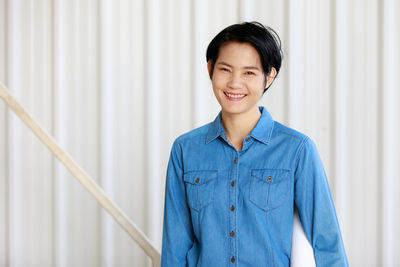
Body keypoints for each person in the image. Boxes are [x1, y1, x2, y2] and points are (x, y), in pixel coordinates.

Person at [161, 21, 348, 266]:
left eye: (249, 72)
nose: (235, 83)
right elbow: (175, 246)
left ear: (268, 77)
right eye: (225, 69)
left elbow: (327, 241)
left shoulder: (297, 150)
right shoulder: (185, 150)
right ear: (210, 69)